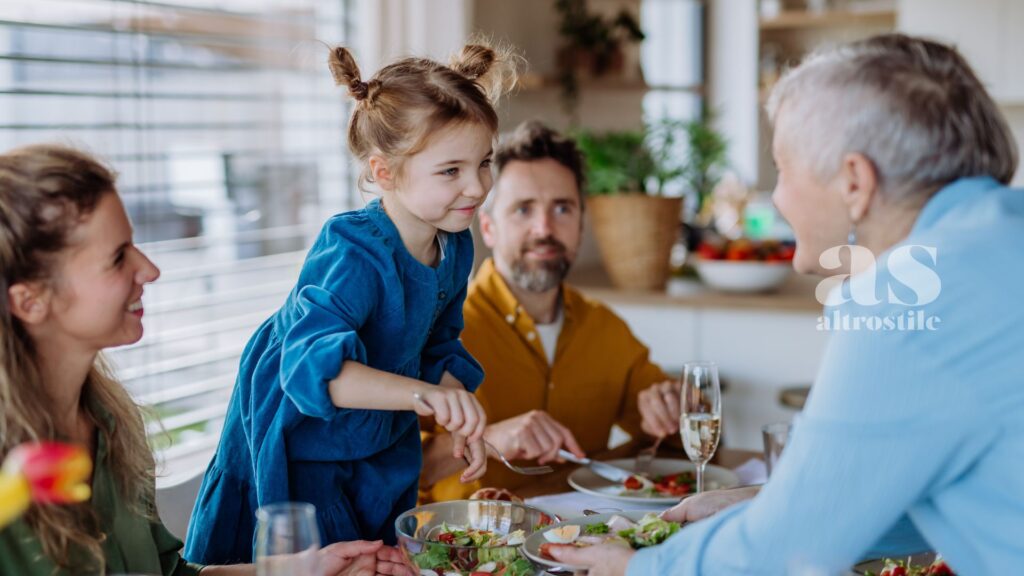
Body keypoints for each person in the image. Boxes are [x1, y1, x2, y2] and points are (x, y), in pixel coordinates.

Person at [548, 33, 1024, 575]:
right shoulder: (1000, 238)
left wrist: (635, 568)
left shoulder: (910, 296)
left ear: (854, 181)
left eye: (783, 167)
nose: (776, 197)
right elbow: (920, 497)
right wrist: (757, 506)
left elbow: (786, 553)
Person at [0, 144, 407, 575]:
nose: (149, 269)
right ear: (31, 301)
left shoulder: (111, 422)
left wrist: (300, 570)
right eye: (118, 257)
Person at [184, 43, 519, 565]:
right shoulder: (352, 251)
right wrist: (426, 398)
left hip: (377, 427)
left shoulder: (454, 243)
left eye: (484, 162)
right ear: (384, 172)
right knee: (321, 555)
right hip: (304, 431)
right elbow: (322, 376)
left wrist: (458, 415)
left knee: (374, 549)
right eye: (450, 170)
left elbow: (439, 344)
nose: (477, 186)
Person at [421, 121, 683, 501]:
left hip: (591, 543)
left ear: (580, 225)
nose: (544, 228)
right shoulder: (437, 331)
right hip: (472, 551)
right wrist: (491, 439)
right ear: (489, 228)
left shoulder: (607, 330)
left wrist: (672, 409)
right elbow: (400, 468)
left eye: (562, 208)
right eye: (523, 209)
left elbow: (674, 443)